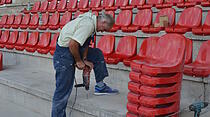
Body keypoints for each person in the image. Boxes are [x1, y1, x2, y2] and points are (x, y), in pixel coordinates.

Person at [51, 12, 119, 117]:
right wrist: (78, 61)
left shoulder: (92, 22)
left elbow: (85, 43)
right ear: (103, 21)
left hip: (72, 49)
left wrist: (84, 59)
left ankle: (100, 86)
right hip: (64, 55)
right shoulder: (88, 25)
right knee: (62, 91)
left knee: (97, 54)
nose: (102, 31)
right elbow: (72, 44)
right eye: (104, 29)